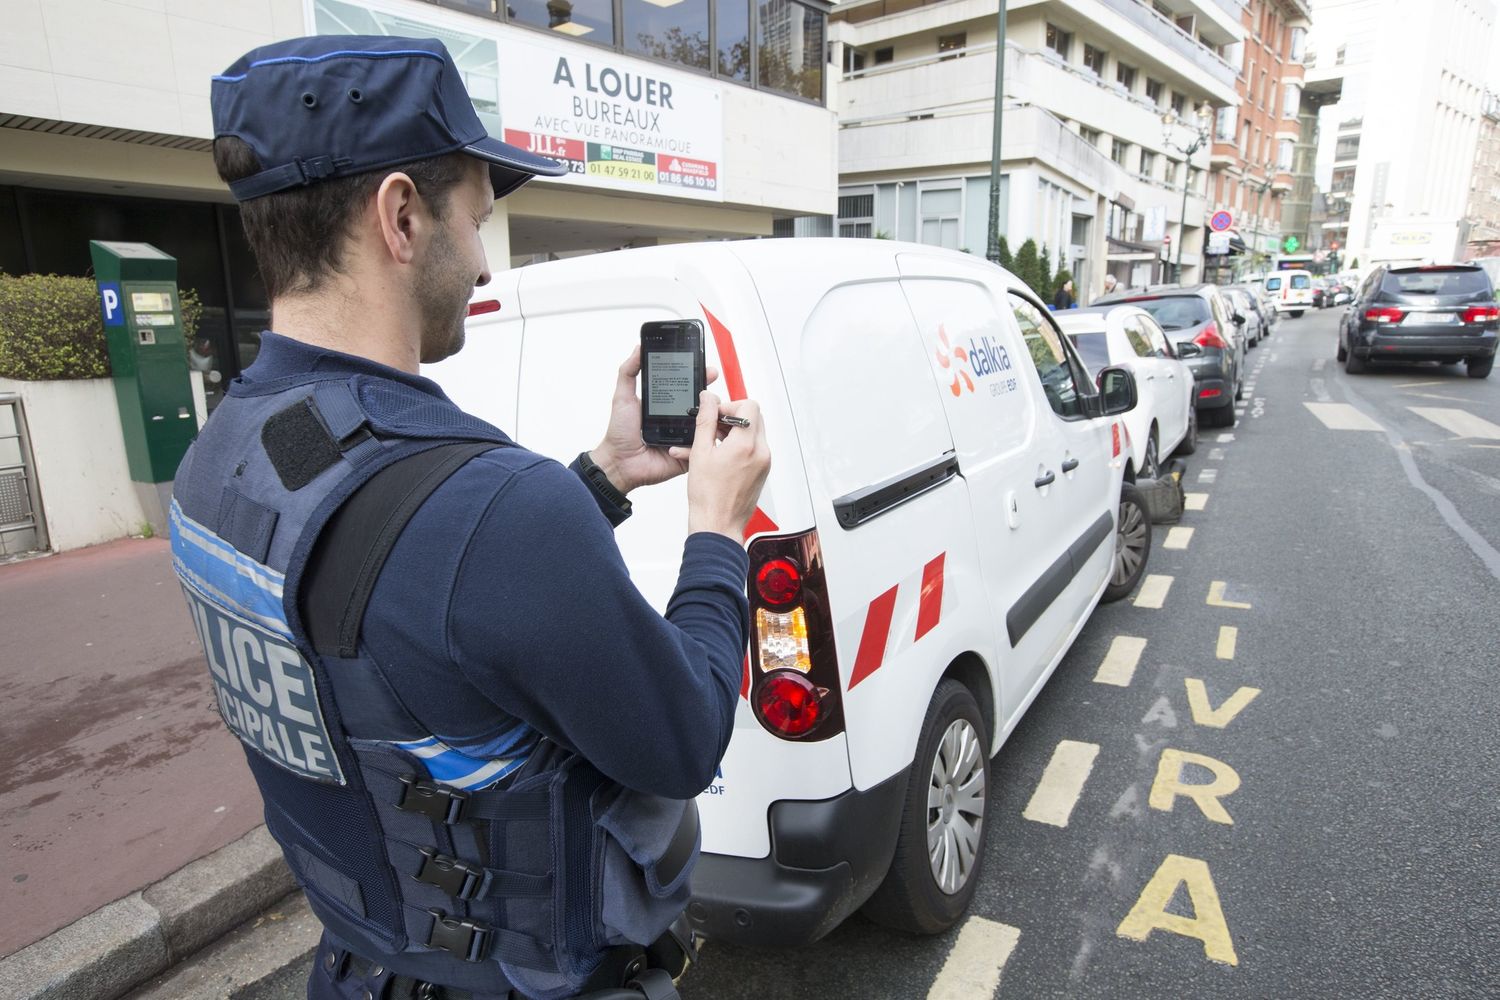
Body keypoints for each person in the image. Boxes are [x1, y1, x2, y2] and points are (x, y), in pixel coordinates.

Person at [170, 35, 771, 1000]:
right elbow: (685, 738)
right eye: (476, 216)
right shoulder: (497, 510)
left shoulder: (228, 458)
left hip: (358, 966)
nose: (485, 263)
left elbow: (395, 600)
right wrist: (717, 528)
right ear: (401, 215)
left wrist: (606, 472)